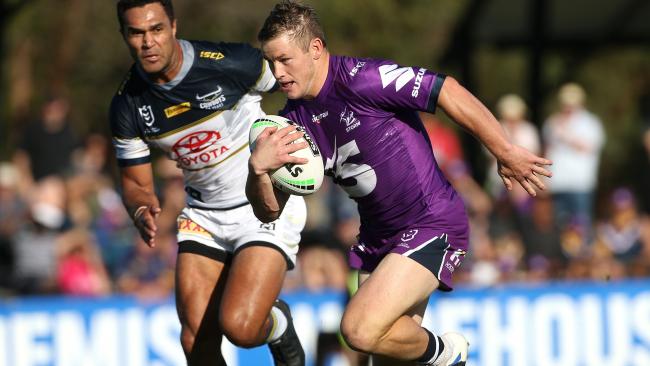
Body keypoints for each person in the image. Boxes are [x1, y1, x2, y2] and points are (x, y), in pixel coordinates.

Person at [247, 2, 552, 365]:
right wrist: (258, 170)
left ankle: (447, 354)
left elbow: (446, 90)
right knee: (381, 349)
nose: (277, 73)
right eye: (271, 62)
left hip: (430, 222)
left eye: (285, 59)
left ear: (315, 48)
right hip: (378, 240)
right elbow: (269, 210)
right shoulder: (290, 123)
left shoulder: (363, 79)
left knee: (358, 330)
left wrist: (503, 149)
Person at [109, 1, 306, 365]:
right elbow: (135, 183)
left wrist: (302, 141)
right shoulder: (127, 106)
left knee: (242, 328)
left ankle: (277, 324)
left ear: (173, 27)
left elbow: (301, 87)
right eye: (136, 33)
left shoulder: (230, 63)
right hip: (203, 216)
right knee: (195, 341)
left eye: (156, 29)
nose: (148, 42)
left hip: (264, 206)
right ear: (124, 36)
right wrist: (139, 207)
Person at [542, 83, 605, 245]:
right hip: (557, 183)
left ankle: (584, 262)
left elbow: (589, 147)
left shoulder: (590, 122)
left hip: (580, 183)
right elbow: (547, 151)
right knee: (560, 226)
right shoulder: (552, 122)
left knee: (581, 226)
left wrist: (566, 135)